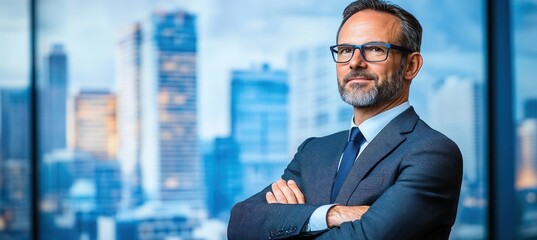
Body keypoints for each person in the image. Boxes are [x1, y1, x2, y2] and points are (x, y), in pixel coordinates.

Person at [227, 0, 463, 239]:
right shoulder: (314, 151)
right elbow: (241, 223)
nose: (355, 62)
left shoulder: (431, 152)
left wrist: (294, 221)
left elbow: (367, 236)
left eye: (375, 49)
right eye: (345, 50)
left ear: (411, 66)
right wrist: (332, 214)